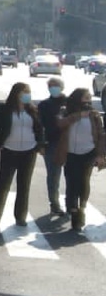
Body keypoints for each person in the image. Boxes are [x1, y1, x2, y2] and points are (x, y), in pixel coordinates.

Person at [0, 82, 43, 229]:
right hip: (9, 150)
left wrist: (39, 145)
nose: (26, 95)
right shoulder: (3, 108)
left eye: (28, 92)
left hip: (29, 151)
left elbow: (39, 128)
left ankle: (20, 217)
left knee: (24, 185)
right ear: (16, 93)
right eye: (23, 92)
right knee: (3, 184)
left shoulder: (33, 110)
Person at [55, 87, 105, 234]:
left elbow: (101, 135)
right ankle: (72, 208)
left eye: (90, 97)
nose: (89, 99)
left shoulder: (94, 115)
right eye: (86, 96)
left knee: (84, 181)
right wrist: (76, 116)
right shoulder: (66, 111)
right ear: (78, 98)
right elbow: (60, 124)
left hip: (88, 153)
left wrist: (100, 154)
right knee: (71, 181)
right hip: (70, 153)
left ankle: (82, 207)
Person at [37, 76, 67, 215]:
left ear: (62, 87)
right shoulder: (43, 105)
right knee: (53, 176)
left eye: (56, 85)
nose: (53, 88)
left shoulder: (70, 103)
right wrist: (41, 144)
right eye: (51, 85)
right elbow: (39, 125)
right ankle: (54, 204)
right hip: (51, 143)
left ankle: (71, 203)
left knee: (72, 176)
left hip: (69, 144)